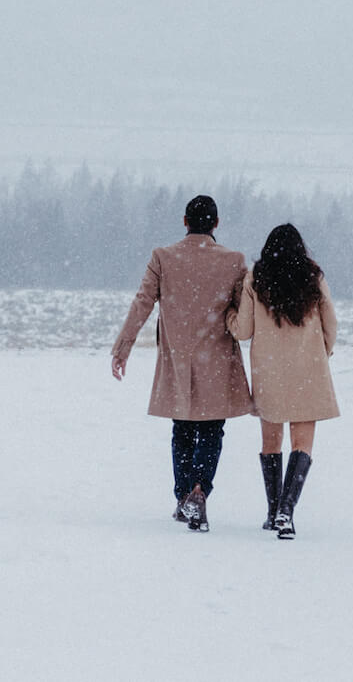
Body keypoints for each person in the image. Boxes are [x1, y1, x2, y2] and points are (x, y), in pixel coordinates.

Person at [111, 194, 254, 532]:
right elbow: (243, 313)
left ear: (184, 221)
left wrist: (123, 347)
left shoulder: (163, 257)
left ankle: (184, 496)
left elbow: (143, 302)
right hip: (217, 357)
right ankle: (200, 490)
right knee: (212, 430)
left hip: (178, 357)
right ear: (216, 224)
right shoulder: (234, 261)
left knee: (183, 430)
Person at [227, 222, 336, 539]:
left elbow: (243, 330)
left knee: (270, 443)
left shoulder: (257, 277)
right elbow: (331, 320)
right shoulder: (313, 276)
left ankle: (274, 510)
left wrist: (227, 317)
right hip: (308, 368)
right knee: (302, 444)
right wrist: (322, 351)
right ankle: (287, 512)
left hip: (269, 369)